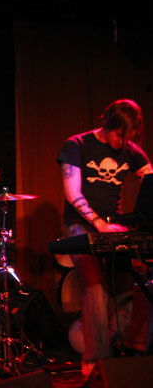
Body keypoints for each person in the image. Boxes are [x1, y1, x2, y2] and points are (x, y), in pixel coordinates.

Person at [57, 99, 153, 378]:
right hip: (81, 225)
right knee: (96, 285)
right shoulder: (76, 145)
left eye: (128, 137)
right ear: (108, 125)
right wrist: (97, 223)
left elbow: (149, 178)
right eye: (119, 135)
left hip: (114, 228)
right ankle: (95, 361)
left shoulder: (129, 150)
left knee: (128, 290)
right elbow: (72, 193)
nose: (122, 142)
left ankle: (120, 351)